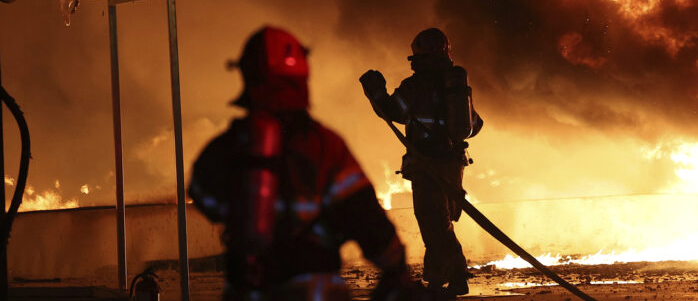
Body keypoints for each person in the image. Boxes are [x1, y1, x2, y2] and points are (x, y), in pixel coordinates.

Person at [189, 26, 417, 301]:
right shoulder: (324, 144)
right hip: (313, 289)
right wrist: (396, 268)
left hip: (248, 288)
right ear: (302, 76)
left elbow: (202, 195)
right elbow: (365, 215)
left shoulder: (229, 144)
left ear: (248, 77)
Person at [359, 28, 483, 297]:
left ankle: (453, 276)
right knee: (440, 222)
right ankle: (441, 278)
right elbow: (475, 125)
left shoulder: (415, 86)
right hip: (454, 164)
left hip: (427, 165)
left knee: (432, 222)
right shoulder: (457, 87)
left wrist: (376, 92)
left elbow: (393, 112)